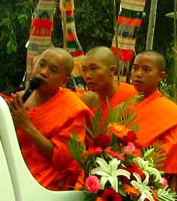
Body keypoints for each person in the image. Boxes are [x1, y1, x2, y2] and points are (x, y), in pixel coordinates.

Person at [7, 47, 90, 191]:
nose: (44, 72)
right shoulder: (21, 99)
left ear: (64, 80)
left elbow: (62, 159)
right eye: (42, 64)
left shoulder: (73, 109)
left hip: (47, 183)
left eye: (53, 70)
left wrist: (27, 126)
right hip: (13, 170)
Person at [128, 51, 177, 190]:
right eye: (135, 68)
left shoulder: (171, 113)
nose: (139, 74)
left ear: (161, 76)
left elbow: (167, 152)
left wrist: (133, 160)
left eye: (146, 69)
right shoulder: (123, 106)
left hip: (155, 183)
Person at [79, 46, 137, 123]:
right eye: (84, 70)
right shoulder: (87, 100)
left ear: (112, 70)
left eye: (93, 68)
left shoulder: (133, 97)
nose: (87, 76)